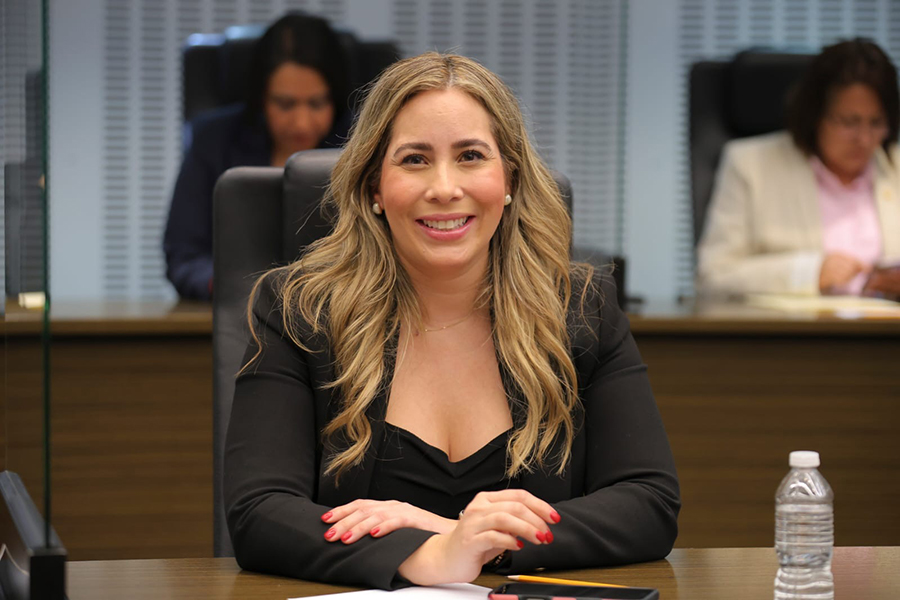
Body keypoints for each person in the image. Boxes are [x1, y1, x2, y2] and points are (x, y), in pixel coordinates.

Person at [224, 52, 680, 590]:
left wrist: (463, 537)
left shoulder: (580, 309)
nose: (444, 187)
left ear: (509, 178)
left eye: (470, 156)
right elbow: (259, 512)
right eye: (414, 159)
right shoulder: (300, 311)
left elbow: (649, 502)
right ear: (374, 186)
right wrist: (429, 556)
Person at [163, 13, 351, 300]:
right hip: (239, 308)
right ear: (262, 98)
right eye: (285, 104)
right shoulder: (214, 140)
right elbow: (184, 257)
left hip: (340, 309)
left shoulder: (361, 141)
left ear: (334, 98)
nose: (301, 123)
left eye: (316, 103)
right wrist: (234, 288)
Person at [697, 39, 900, 299]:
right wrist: (806, 272)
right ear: (815, 115)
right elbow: (713, 276)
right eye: (849, 122)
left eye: (876, 122)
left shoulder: (894, 165)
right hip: (790, 326)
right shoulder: (750, 165)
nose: (864, 138)